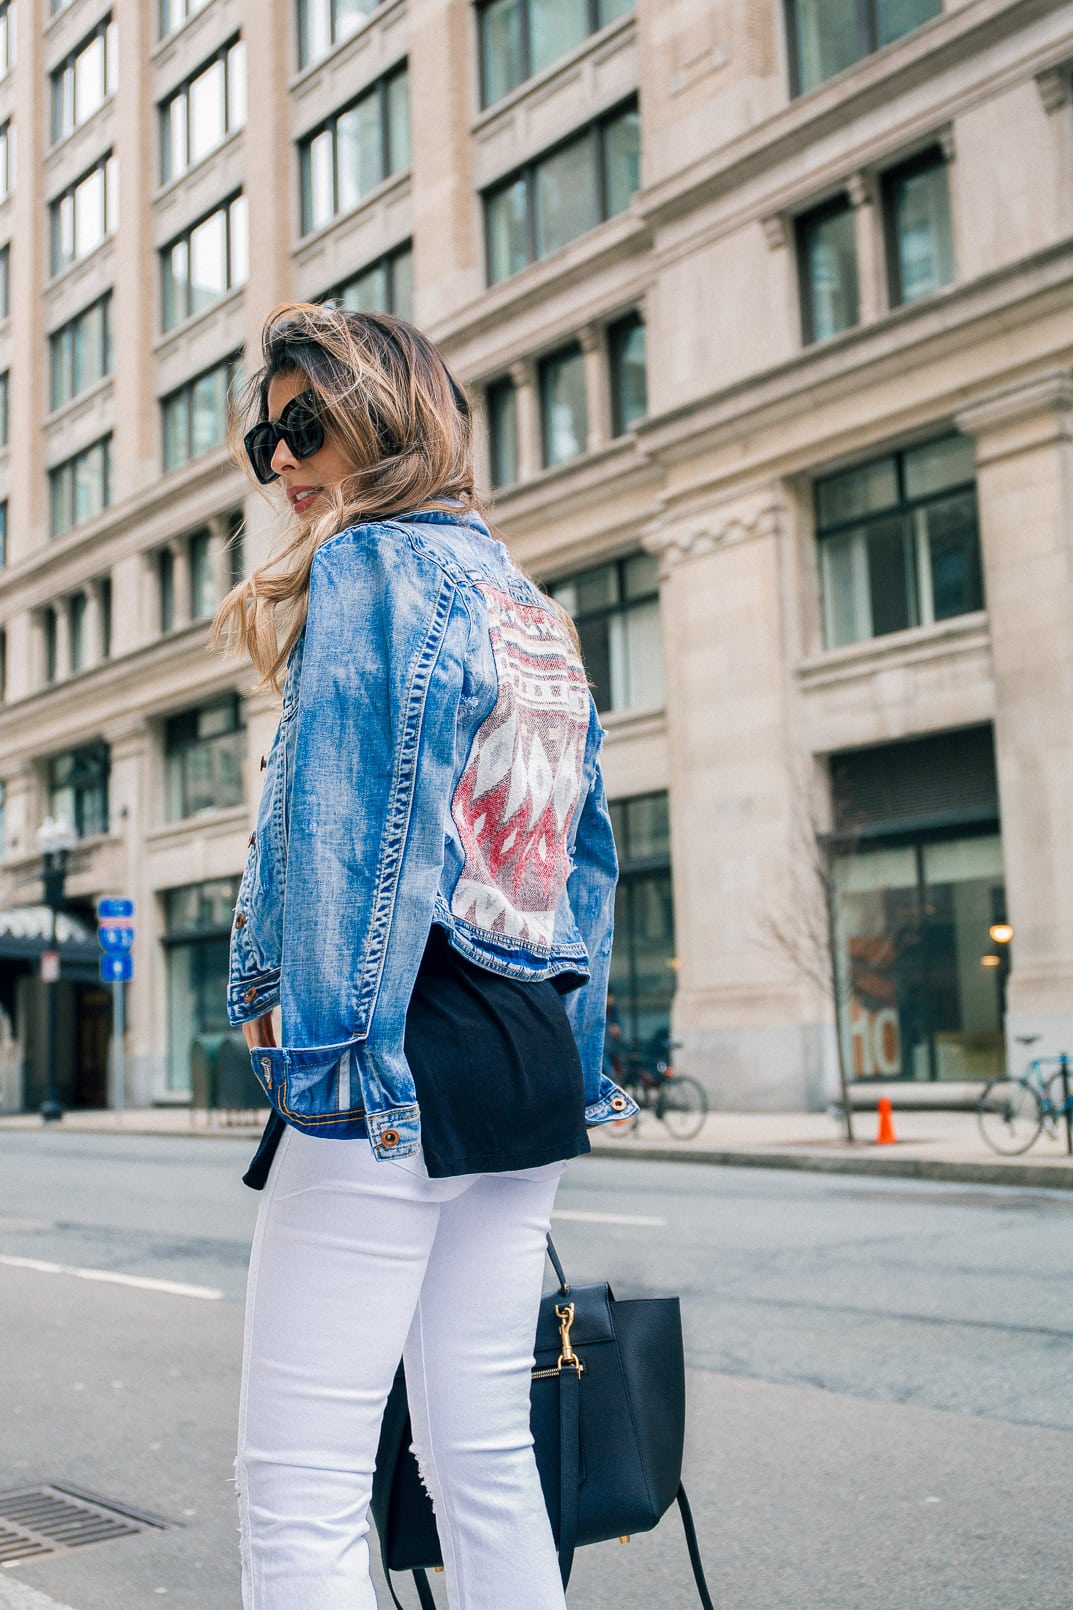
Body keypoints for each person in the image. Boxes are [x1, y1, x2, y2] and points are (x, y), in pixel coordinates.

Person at [213, 301, 637, 1610]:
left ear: (384, 413)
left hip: (393, 1057)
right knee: (485, 1460)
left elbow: (345, 837)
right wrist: (578, 1058)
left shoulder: (371, 570)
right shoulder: (529, 606)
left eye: (302, 427)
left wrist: (312, 1029)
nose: (280, 463)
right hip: (518, 1065)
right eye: (261, 440)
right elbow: (581, 873)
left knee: (301, 1492)